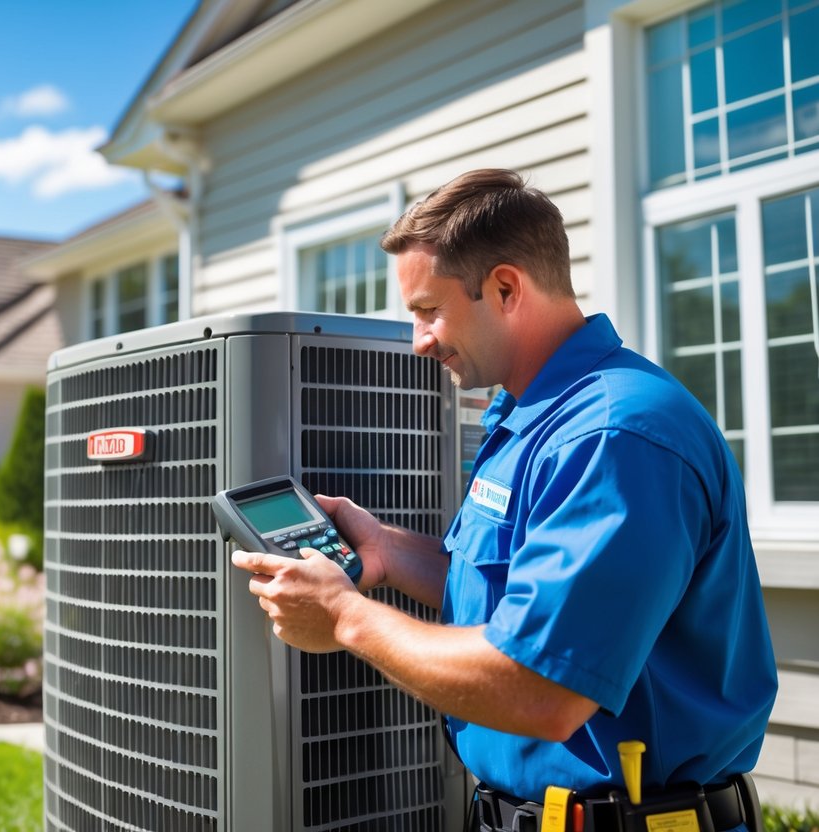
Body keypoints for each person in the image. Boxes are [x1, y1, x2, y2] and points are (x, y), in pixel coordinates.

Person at [230, 168, 777, 830]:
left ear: (505, 288)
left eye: (428, 310)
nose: (419, 341)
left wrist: (345, 618)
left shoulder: (612, 435)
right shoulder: (532, 417)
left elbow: (541, 688)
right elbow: (524, 596)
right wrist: (386, 550)